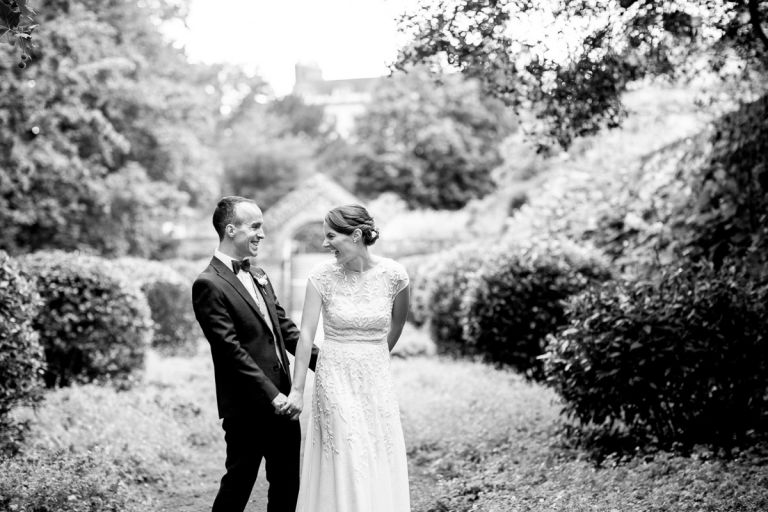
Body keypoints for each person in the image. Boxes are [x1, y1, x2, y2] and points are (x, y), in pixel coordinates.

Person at [192, 196, 318, 512]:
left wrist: (328, 362)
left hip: (286, 402)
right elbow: (230, 350)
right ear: (231, 229)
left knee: (288, 484)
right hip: (248, 407)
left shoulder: (259, 274)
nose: (261, 234)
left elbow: (285, 329)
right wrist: (271, 395)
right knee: (239, 484)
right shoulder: (208, 284)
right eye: (255, 226)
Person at [285, 204, 412, 512]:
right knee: (346, 449)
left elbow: (395, 327)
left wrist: (373, 357)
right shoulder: (321, 277)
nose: (325, 244)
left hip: (375, 379)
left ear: (356, 235)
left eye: (331, 236)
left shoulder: (395, 276)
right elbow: (305, 336)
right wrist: (298, 389)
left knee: (373, 451)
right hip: (333, 377)